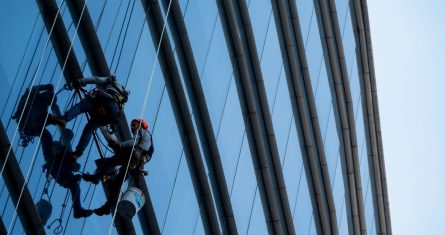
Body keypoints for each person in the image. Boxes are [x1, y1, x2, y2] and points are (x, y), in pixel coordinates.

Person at [82, 118, 153, 216]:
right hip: (136, 163)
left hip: (134, 156)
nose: (132, 127)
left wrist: (119, 145)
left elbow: (134, 142)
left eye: (134, 124)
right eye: (132, 125)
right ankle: (107, 207)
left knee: (111, 161)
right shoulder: (147, 140)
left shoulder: (143, 131)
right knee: (117, 185)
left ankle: (96, 177)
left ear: (141, 125)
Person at [52, 75, 129, 159]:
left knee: (81, 107)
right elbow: (117, 118)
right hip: (111, 114)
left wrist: (79, 82)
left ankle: (64, 119)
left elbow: (95, 79)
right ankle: (78, 152)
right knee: (90, 129)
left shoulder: (113, 82)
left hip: (104, 99)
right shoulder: (122, 104)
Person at [40, 128, 93, 218]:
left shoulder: (66, 149)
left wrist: (75, 167)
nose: (68, 139)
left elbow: (70, 163)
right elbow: (55, 157)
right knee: (74, 185)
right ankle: (77, 210)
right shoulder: (57, 145)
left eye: (69, 137)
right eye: (67, 136)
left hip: (62, 172)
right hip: (57, 169)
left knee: (75, 187)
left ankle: (77, 210)